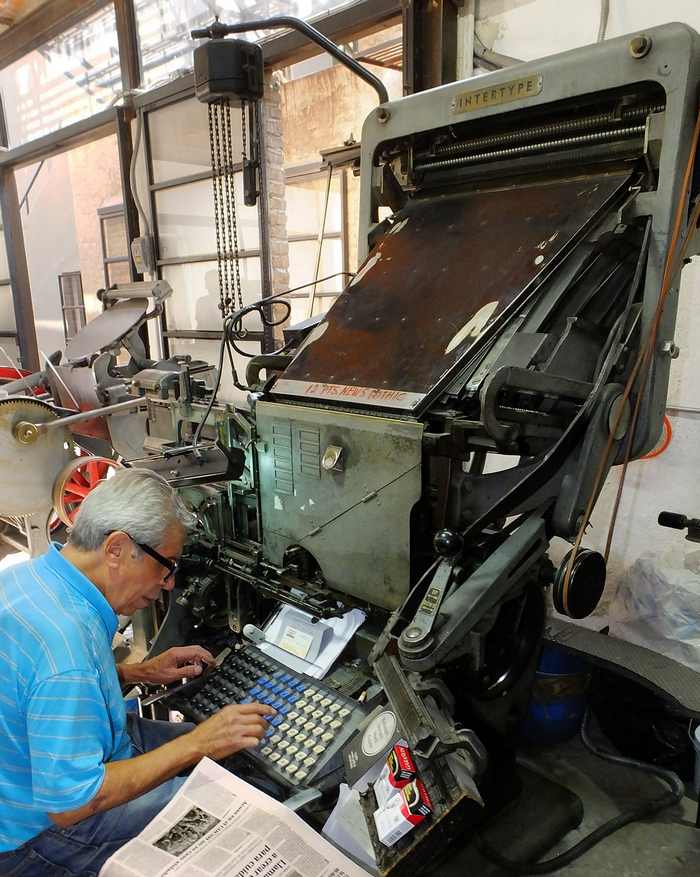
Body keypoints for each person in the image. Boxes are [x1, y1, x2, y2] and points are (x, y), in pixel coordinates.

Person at [0, 468, 273, 876]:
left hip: (33, 774)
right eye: (167, 566)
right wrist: (198, 742)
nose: (168, 585)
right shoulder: (65, 646)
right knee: (240, 809)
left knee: (235, 756)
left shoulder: (29, 578)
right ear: (116, 549)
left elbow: (31, 687)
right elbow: (72, 802)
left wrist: (138, 673)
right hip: (36, 836)